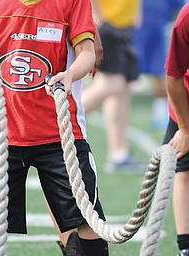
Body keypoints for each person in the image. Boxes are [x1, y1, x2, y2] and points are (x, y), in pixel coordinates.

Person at [0, 0, 109, 256]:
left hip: (59, 132)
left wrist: (70, 75)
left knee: (87, 217)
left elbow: (87, 52)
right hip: (0, 132)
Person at [81, 0, 144, 173]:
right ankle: (62, 118)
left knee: (121, 89)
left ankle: (119, 153)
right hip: (106, 25)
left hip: (123, 24)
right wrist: (97, 18)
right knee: (114, 84)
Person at [162, 3, 189, 256]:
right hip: (186, 106)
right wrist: (185, 128)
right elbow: (173, 75)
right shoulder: (187, 17)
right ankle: (186, 246)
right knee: (184, 173)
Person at [133, 0, 184, 130]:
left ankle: (160, 113)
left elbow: (181, 8)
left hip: (159, 31)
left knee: (162, 71)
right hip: (136, 31)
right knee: (123, 76)